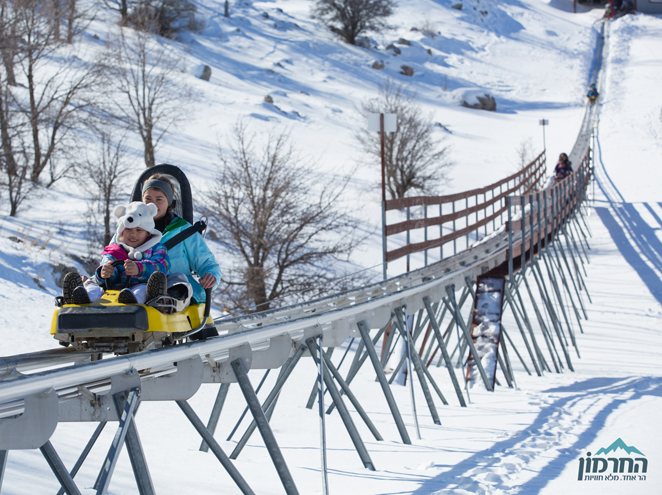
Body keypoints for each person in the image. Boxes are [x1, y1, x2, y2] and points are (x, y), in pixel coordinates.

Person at [62, 201, 169, 305]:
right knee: (93, 286)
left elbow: (161, 266)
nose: (133, 234)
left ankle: (132, 300)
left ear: (148, 233)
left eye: (139, 230)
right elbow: (106, 264)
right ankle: (83, 297)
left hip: (140, 285)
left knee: (142, 290)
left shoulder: (156, 248)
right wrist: (106, 272)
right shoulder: (116, 249)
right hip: (110, 289)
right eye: (128, 229)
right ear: (122, 231)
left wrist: (140, 268)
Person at [141, 174, 221, 309]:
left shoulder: (183, 231)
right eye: (148, 198)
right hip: (137, 288)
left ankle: (166, 299)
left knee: (176, 287)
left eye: (159, 199)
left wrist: (211, 276)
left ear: (170, 203)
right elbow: (114, 253)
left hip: (178, 290)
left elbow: (207, 263)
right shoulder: (130, 228)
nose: (152, 204)